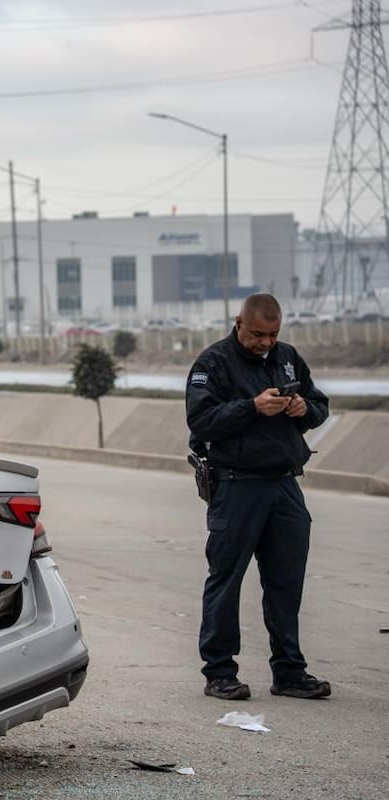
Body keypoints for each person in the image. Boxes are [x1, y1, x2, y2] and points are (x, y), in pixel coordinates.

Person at [185, 292, 331, 701]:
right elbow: (201, 421)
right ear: (238, 323)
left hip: (284, 485)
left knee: (286, 582)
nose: (265, 342)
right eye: (257, 334)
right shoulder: (213, 363)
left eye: (272, 334)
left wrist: (305, 409)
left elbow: (320, 405)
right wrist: (252, 407)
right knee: (226, 579)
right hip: (236, 485)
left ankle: (289, 671)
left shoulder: (287, 357)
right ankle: (219, 672)